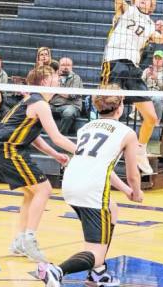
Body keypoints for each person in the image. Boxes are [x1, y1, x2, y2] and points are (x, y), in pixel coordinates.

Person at [35, 90, 143, 287]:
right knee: (96, 253)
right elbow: (133, 174)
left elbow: (101, 165)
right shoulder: (127, 133)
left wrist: (126, 191)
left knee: (112, 209)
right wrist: (136, 191)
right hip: (91, 190)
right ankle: (56, 271)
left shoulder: (87, 127)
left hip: (70, 182)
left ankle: (98, 274)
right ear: (120, 109)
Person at [0, 65, 76, 263]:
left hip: (3, 147)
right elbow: (57, 137)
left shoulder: (31, 101)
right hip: (7, 148)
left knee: (31, 192)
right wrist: (83, 152)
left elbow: (34, 137)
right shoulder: (40, 104)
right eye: (54, 77)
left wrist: (55, 155)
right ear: (44, 81)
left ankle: (19, 240)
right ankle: (29, 239)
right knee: (44, 190)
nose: (58, 80)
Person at [100, 0, 163, 175]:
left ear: (151, 5)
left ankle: (140, 150)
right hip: (114, 63)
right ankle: (101, 150)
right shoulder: (125, 10)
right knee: (108, 110)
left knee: (151, 117)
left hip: (133, 69)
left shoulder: (150, 24)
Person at [49, 57, 84, 135]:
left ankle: (61, 135)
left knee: (68, 113)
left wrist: (56, 89)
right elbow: (48, 94)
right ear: (59, 66)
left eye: (68, 65)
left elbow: (72, 95)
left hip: (71, 106)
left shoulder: (76, 78)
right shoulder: (54, 77)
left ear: (72, 67)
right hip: (53, 105)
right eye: (63, 65)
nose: (65, 67)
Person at [141, 50, 163, 120]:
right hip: (148, 94)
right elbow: (139, 84)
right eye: (155, 58)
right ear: (153, 59)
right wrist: (145, 77)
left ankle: (156, 121)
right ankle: (142, 118)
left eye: (160, 58)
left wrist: (156, 79)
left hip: (161, 95)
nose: (157, 60)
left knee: (157, 98)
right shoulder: (147, 70)